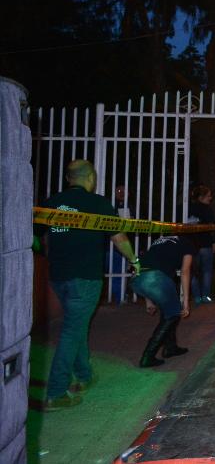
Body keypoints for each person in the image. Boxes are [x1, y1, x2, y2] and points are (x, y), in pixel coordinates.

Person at [34, 159, 139, 411]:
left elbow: (34, 238)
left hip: (59, 277)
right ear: (91, 178)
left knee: (76, 324)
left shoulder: (51, 202)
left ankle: (84, 375)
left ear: (68, 178)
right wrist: (134, 260)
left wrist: (48, 254)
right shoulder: (98, 204)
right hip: (86, 278)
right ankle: (57, 392)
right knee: (72, 331)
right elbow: (118, 237)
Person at [131, 235, 194, 367]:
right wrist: (186, 301)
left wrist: (149, 301)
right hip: (155, 278)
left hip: (136, 279)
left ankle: (170, 347)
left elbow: (148, 265)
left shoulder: (159, 241)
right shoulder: (186, 242)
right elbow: (185, 271)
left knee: (168, 310)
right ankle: (148, 356)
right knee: (173, 314)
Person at [187, 184, 215, 304]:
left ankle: (196, 297)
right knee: (207, 271)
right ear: (201, 197)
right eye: (208, 196)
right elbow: (212, 226)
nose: (210, 198)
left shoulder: (188, 209)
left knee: (192, 271)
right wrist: (214, 242)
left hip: (192, 244)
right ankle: (206, 296)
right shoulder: (207, 209)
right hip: (206, 243)